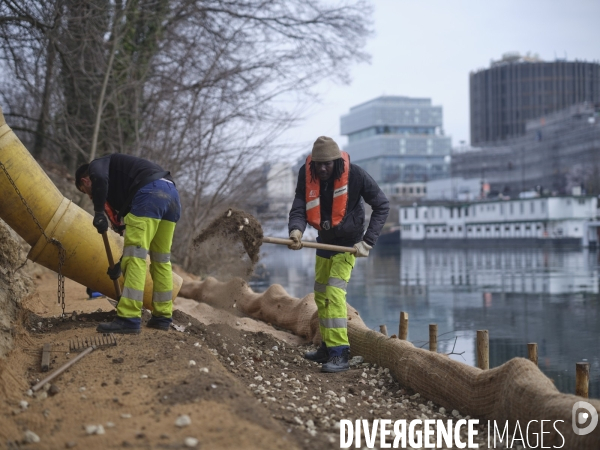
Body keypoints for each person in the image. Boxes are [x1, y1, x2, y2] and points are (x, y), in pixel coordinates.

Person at [288, 136, 389, 372]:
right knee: (321, 294)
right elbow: (300, 203)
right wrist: (296, 230)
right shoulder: (306, 172)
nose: (322, 169)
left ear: (337, 162)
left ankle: (340, 354)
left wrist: (368, 241)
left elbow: (382, 205)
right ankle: (326, 347)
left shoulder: (356, 175)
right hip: (325, 240)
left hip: (348, 244)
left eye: (327, 164)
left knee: (334, 293)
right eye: (318, 164)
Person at [75, 154, 181, 334]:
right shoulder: (122, 181)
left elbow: (99, 179)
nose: (90, 195)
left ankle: (129, 317)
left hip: (150, 192)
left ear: (85, 180)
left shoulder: (97, 166)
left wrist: (99, 212)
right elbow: (134, 244)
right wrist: (120, 263)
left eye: (85, 191)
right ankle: (162, 316)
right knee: (161, 261)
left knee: (135, 259)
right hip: (171, 196)